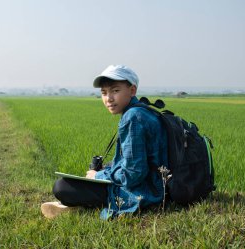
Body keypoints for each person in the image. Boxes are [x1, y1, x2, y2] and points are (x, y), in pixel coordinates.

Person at [41, 65, 168, 220]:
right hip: (156, 184)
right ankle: (78, 203)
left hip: (146, 192)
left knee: (62, 187)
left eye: (115, 91)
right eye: (104, 92)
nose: (109, 98)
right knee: (93, 176)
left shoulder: (133, 117)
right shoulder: (141, 111)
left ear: (132, 90)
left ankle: (79, 205)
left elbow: (133, 174)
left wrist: (98, 176)